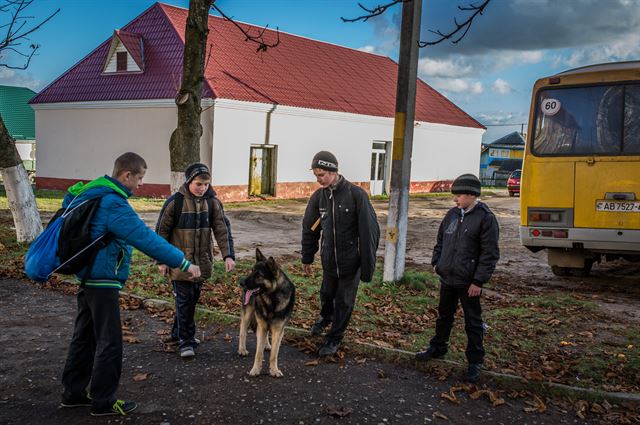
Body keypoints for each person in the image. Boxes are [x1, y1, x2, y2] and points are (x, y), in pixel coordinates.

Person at [60, 152, 201, 417]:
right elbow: (144, 238)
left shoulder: (97, 194)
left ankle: (73, 392)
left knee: (85, 337)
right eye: (139, 178)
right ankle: (103, 401)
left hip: (88, 277)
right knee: (110, 342)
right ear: (127, 175)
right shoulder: (114, 204)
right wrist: (182, 263)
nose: (140, 184)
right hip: (102, 281)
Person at [415, 173, 500, 383]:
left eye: (459, 195)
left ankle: (475, 361)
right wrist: (437, 262)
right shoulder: (452, 214)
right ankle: (437, 348)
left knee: (473, 322)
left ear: (472, 195)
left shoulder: (486, 219)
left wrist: (478, 281)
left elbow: (490, 253)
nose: (455, 200)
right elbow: (441, 240)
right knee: (444, 316)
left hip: (469, 282)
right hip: (448, 277)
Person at [301, 151, 380, 357]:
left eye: (321, 175)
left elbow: (369, 232)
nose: (318, 180)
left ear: (333, 171)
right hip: (329, 260)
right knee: (326, 295)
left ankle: (334, 338)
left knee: (344, 301)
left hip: (350, 261)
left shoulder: (356, 195)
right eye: (316, 175)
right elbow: (309, 228)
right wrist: (307, 257)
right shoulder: (319, 197)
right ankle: (325, 318)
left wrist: (367, 266)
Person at [155, 162, 235, 358]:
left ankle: (178, 332)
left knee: (191, 301)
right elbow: (161, 232)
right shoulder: (176, 202)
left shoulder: (213, 203)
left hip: (201, 264)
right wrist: (162, 260)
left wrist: (228, 255)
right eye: (199, 184)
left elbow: (222, 230)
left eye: (206, 185)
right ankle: (186, 341)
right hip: (179, 264)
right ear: (189, 181)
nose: (203, 188)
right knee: (184, 301)